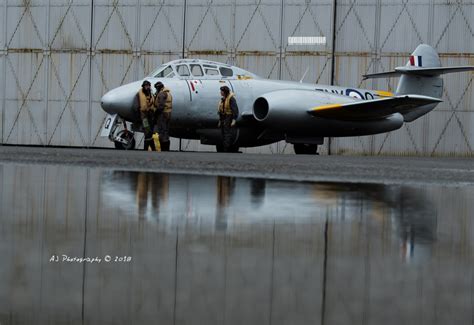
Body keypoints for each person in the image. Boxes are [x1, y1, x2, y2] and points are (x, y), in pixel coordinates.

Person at [217, 86, 239, 152]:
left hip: (228, 117)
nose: (220, 92)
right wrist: (220, 121)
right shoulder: (223, 99)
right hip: (223, 117)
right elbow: (221, 110)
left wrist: (234, 120)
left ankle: (226, 149)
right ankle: (225, 148)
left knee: (227, 133)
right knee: (223, 133)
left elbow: (235, 109)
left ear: (225, 92)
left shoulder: (231, 99)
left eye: (222, 91)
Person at [154, 81, 173, 151]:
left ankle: (164, 148)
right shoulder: (168, 93)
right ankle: (166, 147)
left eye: (156, 88)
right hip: (168, 113)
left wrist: (156, 113)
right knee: (166, 130)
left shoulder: (162, 94)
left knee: (162, 130)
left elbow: (161, 106)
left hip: (163, 114)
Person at [138, 80, 156, 151]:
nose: (147, 87)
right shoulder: (139, 94)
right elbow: (137, 104)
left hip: (150, 114)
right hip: (144, 115)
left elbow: (153, 103)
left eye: (148, 86)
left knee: (150, 131)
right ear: (143, 86)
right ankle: (147, 148)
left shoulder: (150, 94)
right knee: (147, 130)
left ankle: (151, 148)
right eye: (146, 86)